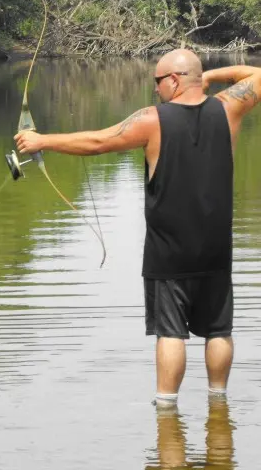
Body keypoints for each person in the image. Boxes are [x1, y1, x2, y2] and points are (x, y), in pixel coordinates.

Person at [14, 49, 261, 408]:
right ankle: (219, 404)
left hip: (169, 252)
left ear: (173, 80)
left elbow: (99, 142)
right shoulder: (229, 108)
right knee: (219, 330)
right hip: (216, 248)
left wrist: (42, 141)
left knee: (171, 333)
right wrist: (207, 76)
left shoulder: (152, 120)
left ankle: (165, 409)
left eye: (158, 82)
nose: (156, 89)